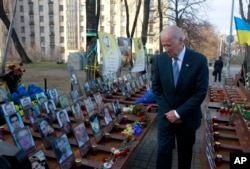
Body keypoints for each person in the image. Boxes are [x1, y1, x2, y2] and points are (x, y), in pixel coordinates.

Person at [151, 25, 208, 169]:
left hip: (187, 118)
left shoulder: (199, 61)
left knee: (185, 155)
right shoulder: (159, 60)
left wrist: (179, 113)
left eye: (169, 45)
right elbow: (157, 89)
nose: (166, 49)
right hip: (166, 117)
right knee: (163, 153)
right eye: (163, 45)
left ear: (181, 41)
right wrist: (170, 113)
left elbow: (200, 92)